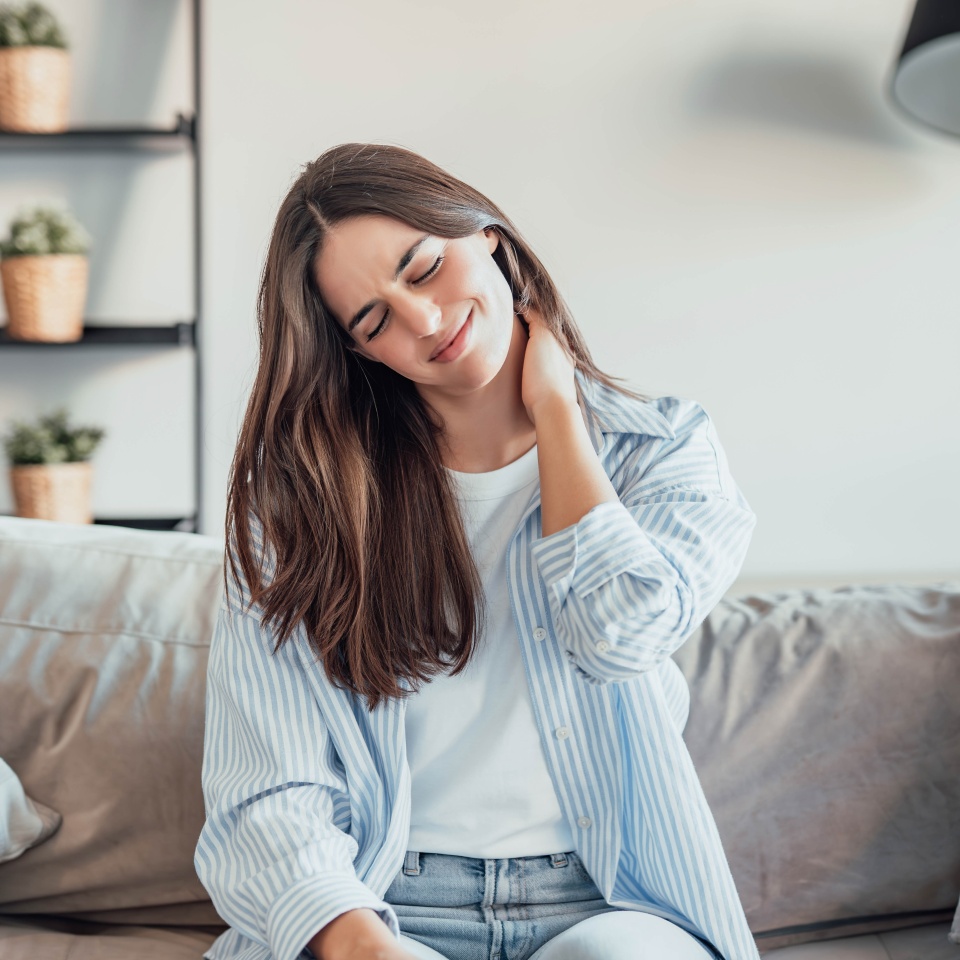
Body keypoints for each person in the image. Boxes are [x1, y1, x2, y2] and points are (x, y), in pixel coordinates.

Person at [194, 142, 760, 960]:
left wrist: (558, 412)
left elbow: (620, 634)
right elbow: (266, 792)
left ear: (485, 233)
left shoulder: (663, 450)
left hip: (606, 902)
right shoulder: (300, 503)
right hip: (385, 902)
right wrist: (361, 946)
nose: (423, 322)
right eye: (375, 319)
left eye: (421, 269)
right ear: (360, 352)